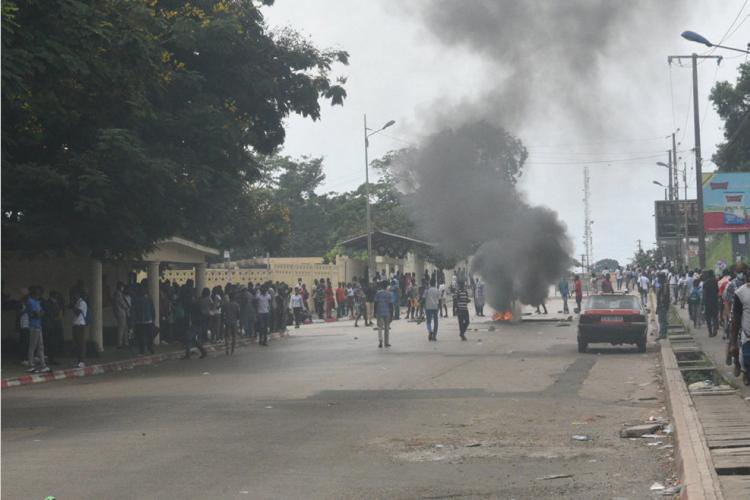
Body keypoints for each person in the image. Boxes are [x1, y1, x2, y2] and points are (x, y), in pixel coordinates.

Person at [730, 277, 750, 385]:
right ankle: (741, 367)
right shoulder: (740, 293)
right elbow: (736, 318)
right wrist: (733, 342)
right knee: (746, 360)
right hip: (747, 335)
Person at [25, 286, 50, 373]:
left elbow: (41, 312)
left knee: (40, 346)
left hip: (38, 325)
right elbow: (36, 314)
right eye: (38, 293)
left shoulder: (37, 302)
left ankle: (43, 365)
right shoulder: (30, 301)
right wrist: (40, 313)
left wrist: (39, 313)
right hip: (33, 326)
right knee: (32, 346)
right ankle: (30, 365)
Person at [131, 284, 156, 355]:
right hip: (140, 321)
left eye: (143, 290)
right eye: (141, 290)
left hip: (147, 320)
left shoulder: (148, 299)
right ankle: (144, 349)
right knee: (141, 336)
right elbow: (133, 310)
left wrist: (153, 319)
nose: (143, 291)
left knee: (149, 335)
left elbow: (152, 310)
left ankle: (149, 347)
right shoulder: (136, 299)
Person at [70, 290, 88, 367]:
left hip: (80, 325)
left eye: (74, 295)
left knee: (81, 343)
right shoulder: (77, 302)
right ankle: (78, 360)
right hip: (75, 324)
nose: (73, 296)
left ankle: (82, 361)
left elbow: (78, 312)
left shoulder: (82, 303)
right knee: (76, 343)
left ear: (78, 295)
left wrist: (72, 306)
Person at [374, 281, 393, 348]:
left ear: (381, 286)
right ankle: (386, 343)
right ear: (386, 286)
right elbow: (391, 304)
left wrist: (374, 312)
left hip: (379, 312)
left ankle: (380, 341)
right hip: (387, 312)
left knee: (379, 327)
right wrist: (392, 314)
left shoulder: (378, 293)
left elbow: (375, 303)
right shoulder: (389, 294)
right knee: (386, 328)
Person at [703, 270, 720, 338]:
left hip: (707, 302)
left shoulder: (705, 283)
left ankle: (710, 332)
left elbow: (704, 294)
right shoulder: (715, 282)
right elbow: (717, 291)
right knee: (715, 316)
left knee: (708, 318)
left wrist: (703, 303)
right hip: (715, 301)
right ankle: (715, 330)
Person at [113, 281, 130, 349]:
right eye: (122, 286)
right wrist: (128, 306)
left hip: (122, 312)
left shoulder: (119, 293)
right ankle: (119, 344)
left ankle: (125, 343)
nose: (123, 288)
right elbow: (122, 303)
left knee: (125, 328)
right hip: (121, 313)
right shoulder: (118, 294)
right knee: (121, 328)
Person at [656, 273, 670, 340]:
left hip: (662, 305)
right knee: (662, 320)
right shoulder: (663, 285)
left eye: (658, 278)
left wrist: (660, 305)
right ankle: (663, 333)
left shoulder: (664, 286)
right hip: (662, 305)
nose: (657, 279)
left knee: (662, 320)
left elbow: (664, 296)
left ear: (661, 278)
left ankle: (662, 334)